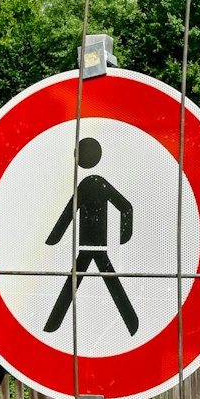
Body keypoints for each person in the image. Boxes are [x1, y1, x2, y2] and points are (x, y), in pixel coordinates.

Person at [44, 136, 139, 336]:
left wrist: (54, 238)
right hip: (94, 247)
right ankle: (132, 324)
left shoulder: (89, 184)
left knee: (74, 284)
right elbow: (126, 207)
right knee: (100, 283)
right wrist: (124, 235)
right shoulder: (96, 183)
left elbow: (68, 213)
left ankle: (51, 326)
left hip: (90, 247)